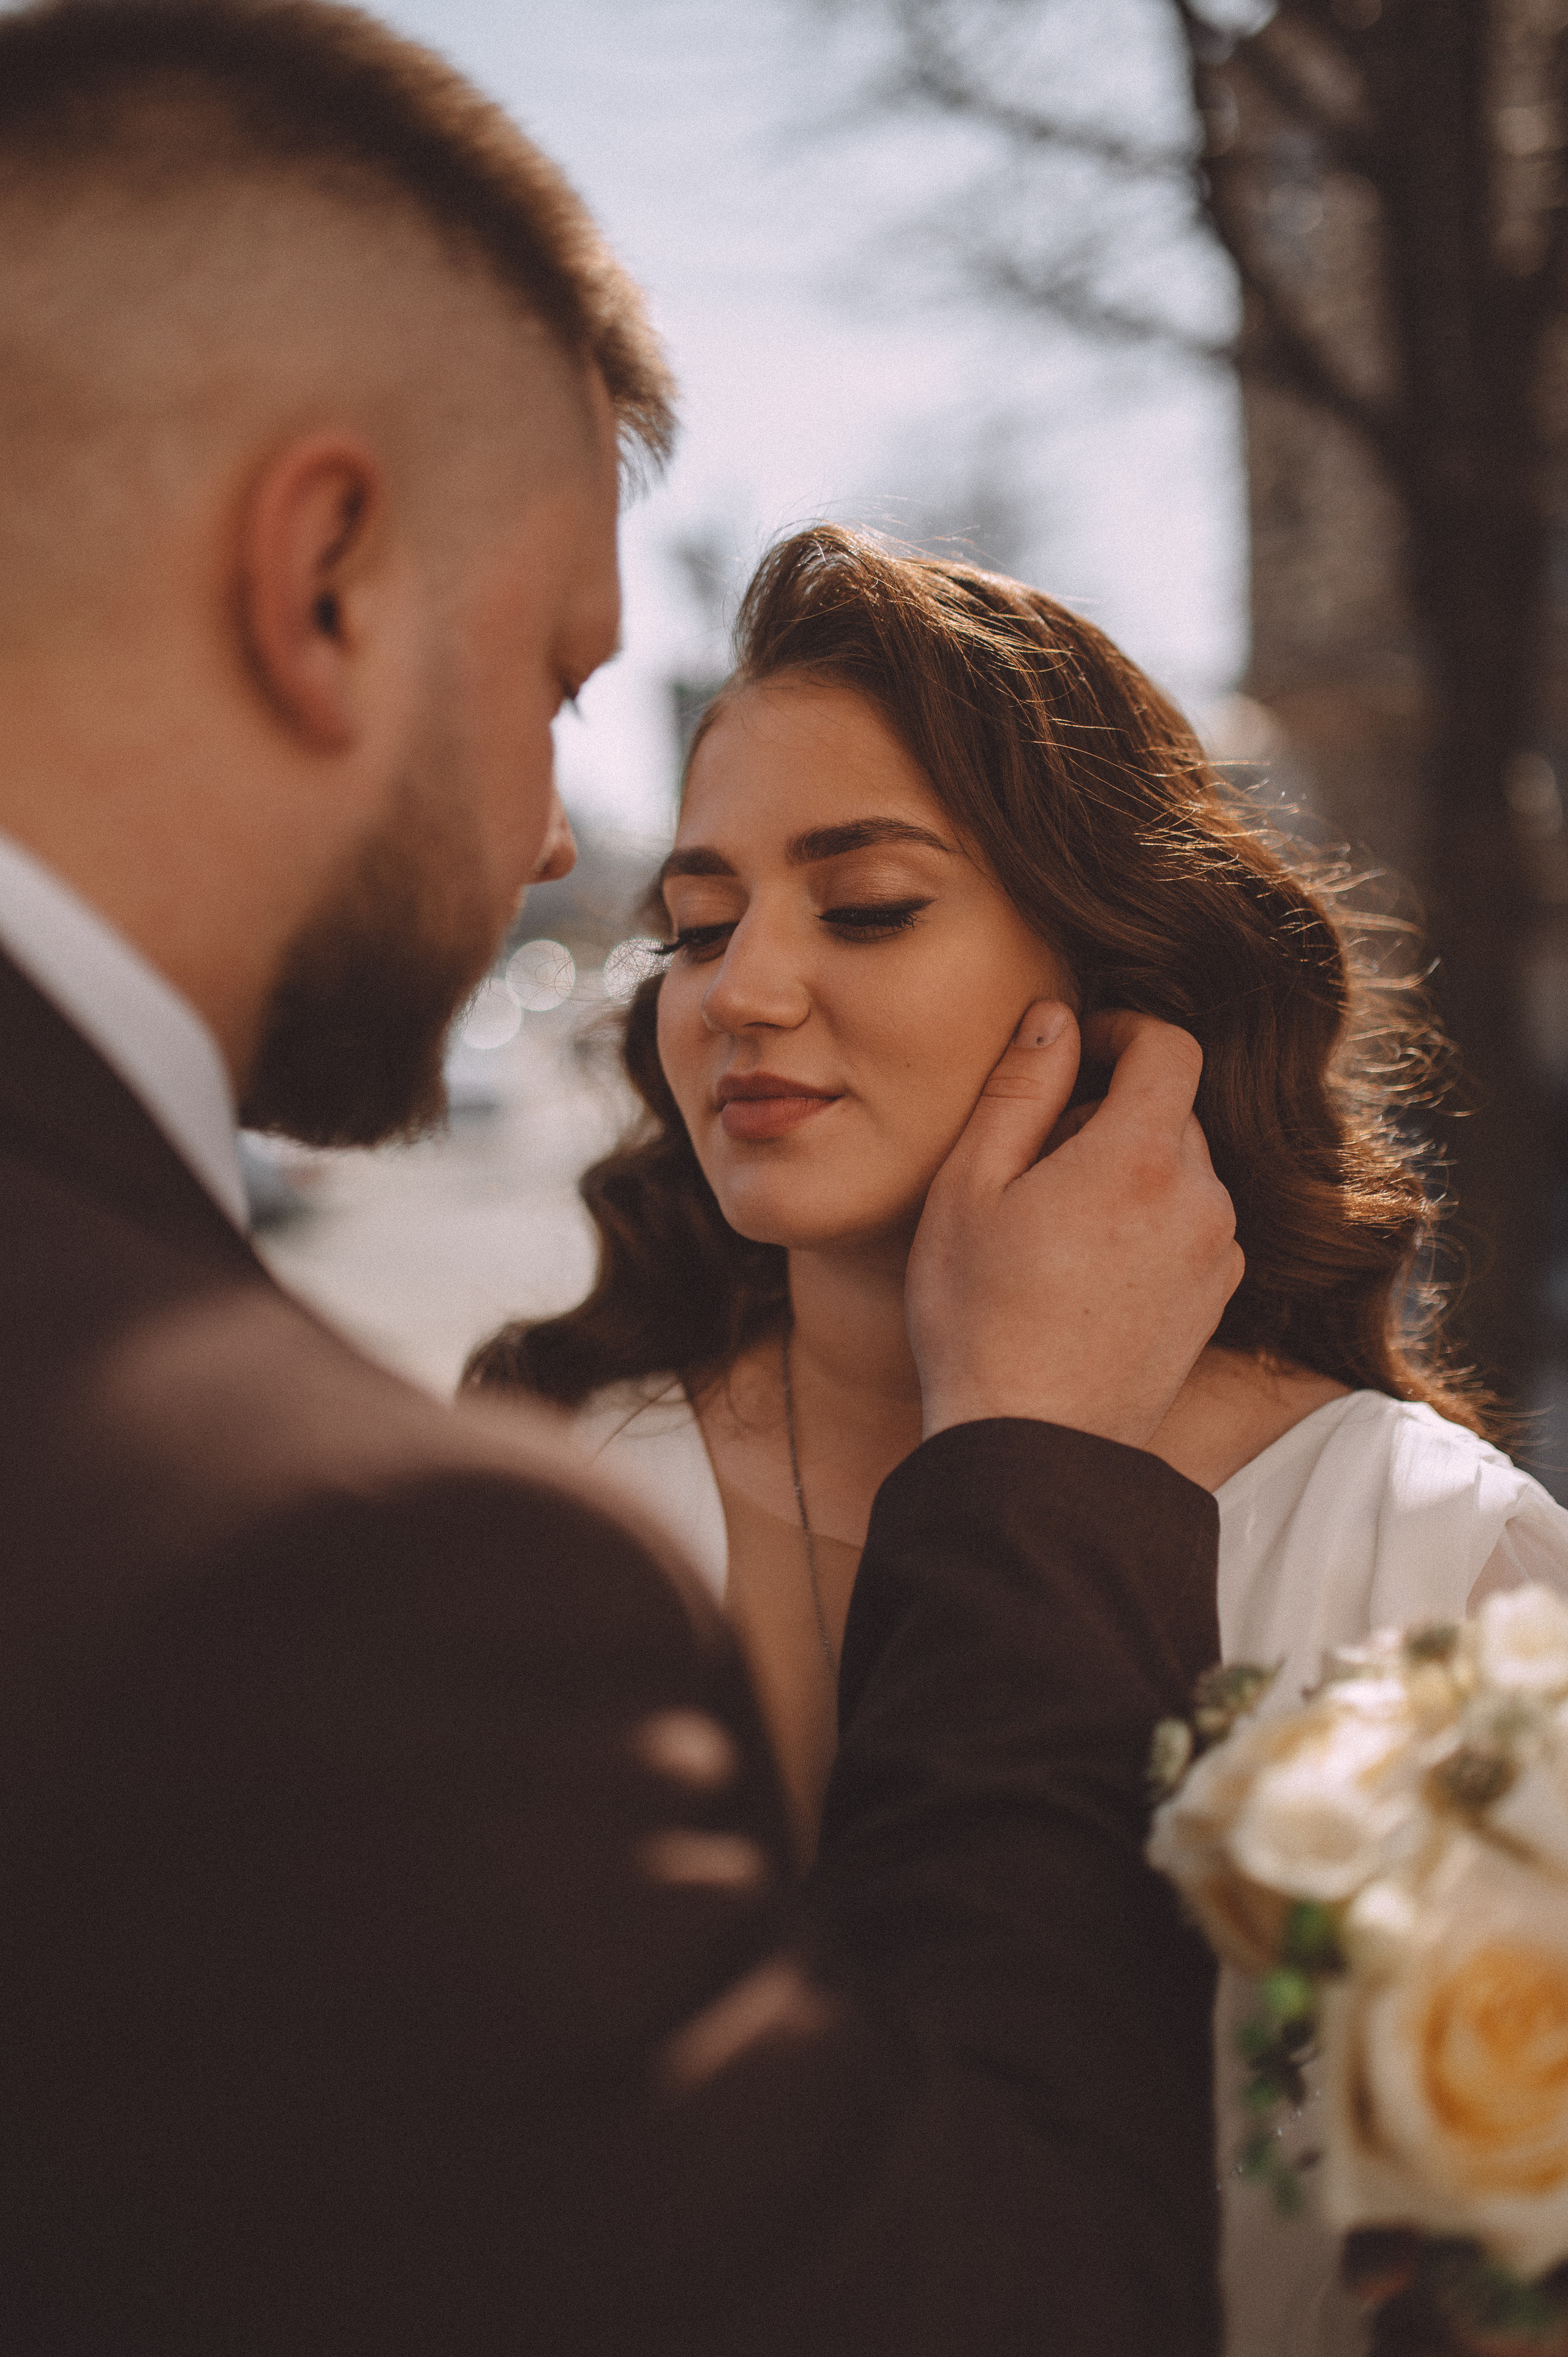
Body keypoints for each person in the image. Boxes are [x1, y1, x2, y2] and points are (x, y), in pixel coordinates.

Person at [0, 4, 1246, 2351]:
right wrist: (1039, 1476)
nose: (560, 836)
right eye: (560, 675)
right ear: (329, 578)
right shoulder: (366, 1578)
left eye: (862, 903)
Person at [470, 523, 1568, 2357]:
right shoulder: (547, 1486)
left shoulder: (1432, 1569)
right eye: (700, 920)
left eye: (870, 904)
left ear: (1122, 970)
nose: (743, 989)